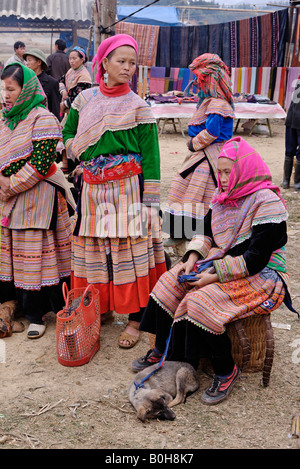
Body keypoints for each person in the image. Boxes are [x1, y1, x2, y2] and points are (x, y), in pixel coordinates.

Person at [132, 136, 293, 405]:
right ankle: (163, 350)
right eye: (220, 171)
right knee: (169, 281)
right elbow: (206, 233)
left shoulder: (267, 202)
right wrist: (192, 259)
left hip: (262, 275)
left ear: (245, 169)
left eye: (229, 171)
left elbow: (256, 258)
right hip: (226, 262)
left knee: (200, 302)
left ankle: (225, 369)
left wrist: (211, 277)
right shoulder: (222, 197)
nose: (223, 177)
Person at [62, 34, 167, 348]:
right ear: (104, 62)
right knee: (96, 248)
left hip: (127, 190)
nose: (127, 67)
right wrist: (76, 151)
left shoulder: (139, 106)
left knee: (128, 251)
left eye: (132, 62)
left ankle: (135, 319)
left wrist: (150, 200)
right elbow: (68, 130)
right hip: (92, 190)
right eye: (120, 61)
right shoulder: (84, 100)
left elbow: (151, 156)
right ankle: (101, 305)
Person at [0, 63, 75, 339]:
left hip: (39, 195)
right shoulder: (6, 119)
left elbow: (42, 163)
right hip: (10, 196)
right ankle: (18, 306)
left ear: (26, 88)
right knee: (15, 255)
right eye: (4, 89)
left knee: (38, 257)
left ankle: (39, 315)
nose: (6, 95)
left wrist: (11, 186)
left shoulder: (42, 118)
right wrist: (2, 182)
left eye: (11, 89)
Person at [163, 53, 234, 246]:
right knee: (185, 189)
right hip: (203, 154)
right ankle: (181, 232)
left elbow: (212, 132)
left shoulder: (218, 105)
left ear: (210, 81)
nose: (196, 82)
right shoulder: (210, 102)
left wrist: (193, 144)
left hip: (209, 155)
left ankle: (194, 234)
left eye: (199, 79)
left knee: (196, 193)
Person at [59, 46, 93, 173]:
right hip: (70, 113)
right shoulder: (71, 71)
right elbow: (61, 80)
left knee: (76, 138)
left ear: (82, 60)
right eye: (70, 58)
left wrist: (64, 104)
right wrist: (63, 91)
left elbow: (78, 98)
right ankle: (67, 165)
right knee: (66, 136)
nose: (71, 61)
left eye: (74, 58)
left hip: (79, 114)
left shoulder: (84, 76)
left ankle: (75, 168)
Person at [24, 48, 61, 120]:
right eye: (27, 60)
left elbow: (55, 108)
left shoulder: (52, 83)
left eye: (29, 60)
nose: (27, 63)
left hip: (44, 122)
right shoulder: (25, 81)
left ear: (39, 62)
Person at [282, 74, 300, 191]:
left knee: (290, 149)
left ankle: (286, 181)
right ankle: (296, 183)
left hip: (292, 116)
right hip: (295, 116)